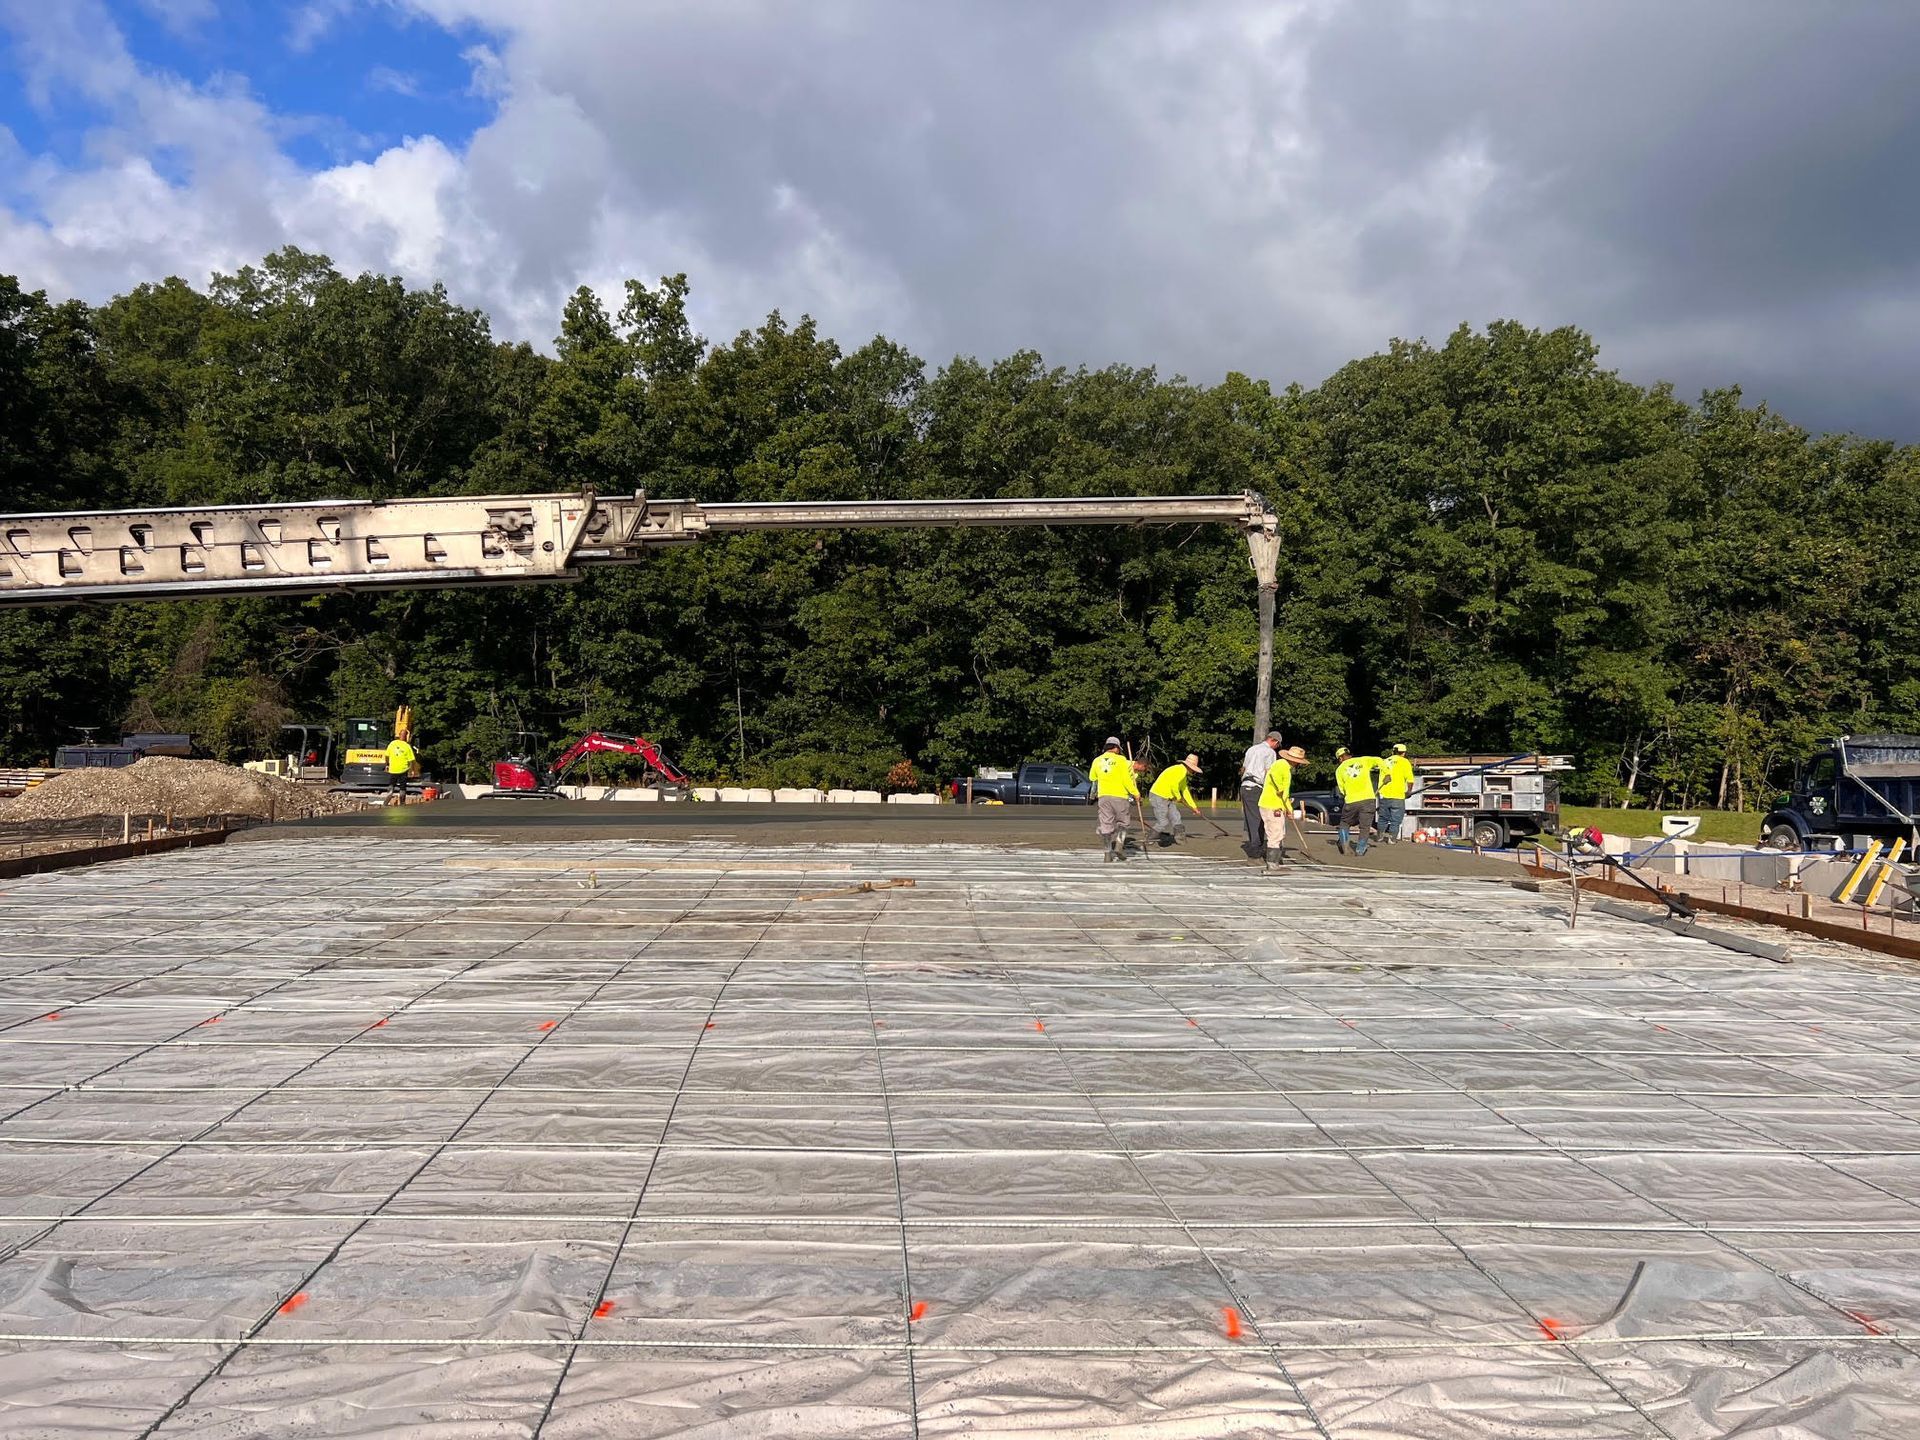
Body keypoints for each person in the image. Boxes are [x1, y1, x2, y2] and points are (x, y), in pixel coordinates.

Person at [1089, 736, 1140, 862]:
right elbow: (1126, 779)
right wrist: (1135, 793)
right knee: (1124, 823)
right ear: (1116, 748)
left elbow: (1092, 777)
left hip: (1104, 796)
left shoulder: (1097, 760)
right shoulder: (1121, 760)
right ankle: (1118, 845)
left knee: (1106, 825)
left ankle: (1107, 853)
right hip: (1120, 796)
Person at [1258, 745, 1310, 867]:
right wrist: (1280, 788)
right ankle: (1272, 863)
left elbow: (1284, 794)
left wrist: (1288, 809)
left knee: (1279, 833)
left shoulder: (1283, 766)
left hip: (1274, 804)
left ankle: (1275, 860)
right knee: (1275, 833)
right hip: (1272, 804)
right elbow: (1278, 782)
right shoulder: (1281, 765)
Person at [1333, 745, 1385, 855]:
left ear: (1340, 758)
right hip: (1368, 800)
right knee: (1365, 827)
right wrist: (1387, 774)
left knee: (1344, 823)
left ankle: (1345, 847)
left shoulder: (1339, 770)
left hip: (1351, 801)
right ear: (1349, 754)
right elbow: (1380, 761)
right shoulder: (1364, 760)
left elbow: (1342, 791)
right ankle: (1360, 850)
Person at [1238, 732, 1282, 858]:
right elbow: (1269, 772)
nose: (1277, 747)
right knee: (1258, 818)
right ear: (1274, 741)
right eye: (1277, 745)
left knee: (1250, 817)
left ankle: (1257, 844)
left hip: (1245, 785)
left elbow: (1243, 769)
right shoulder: (1270, 753)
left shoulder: (1251, 749)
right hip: (1257, 786)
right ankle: (1255, 848)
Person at [1149, 753, 1205, 844]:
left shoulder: (1183, 774)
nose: (1193, 772)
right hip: (1158, 795)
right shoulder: (1180, 770)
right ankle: (1150, 839)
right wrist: (1178, 797)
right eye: (1193, 770)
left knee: (1176, 817)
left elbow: (1185, 790)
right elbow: (1173, 785)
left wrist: (1194, 807)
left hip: (1169, 797)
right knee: (1163, 821)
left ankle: (1180, 838)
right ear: (1190, 767)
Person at [1377, 744, 1415, 844]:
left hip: (1384, 794)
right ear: (1403, 752)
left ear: (1393, 751)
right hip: (1398, 795)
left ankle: (1380, 836)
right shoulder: (1404, 762)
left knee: (1383, 818)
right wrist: (1409, 791)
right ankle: (1392, 839)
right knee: (1396, 819)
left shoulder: (1385, 761)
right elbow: (1410, 779)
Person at [384, 733, 417, 804]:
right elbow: (411, 760)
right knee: (402, 786)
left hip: (393, 769)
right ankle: (402, 802)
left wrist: (387, 765)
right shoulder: (407, 746)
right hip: (403, 769)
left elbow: (386, 756)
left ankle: (387, 800)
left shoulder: (392, 744)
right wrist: (412, 770)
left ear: (399, 735)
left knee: (391, 785)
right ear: (406, 737)